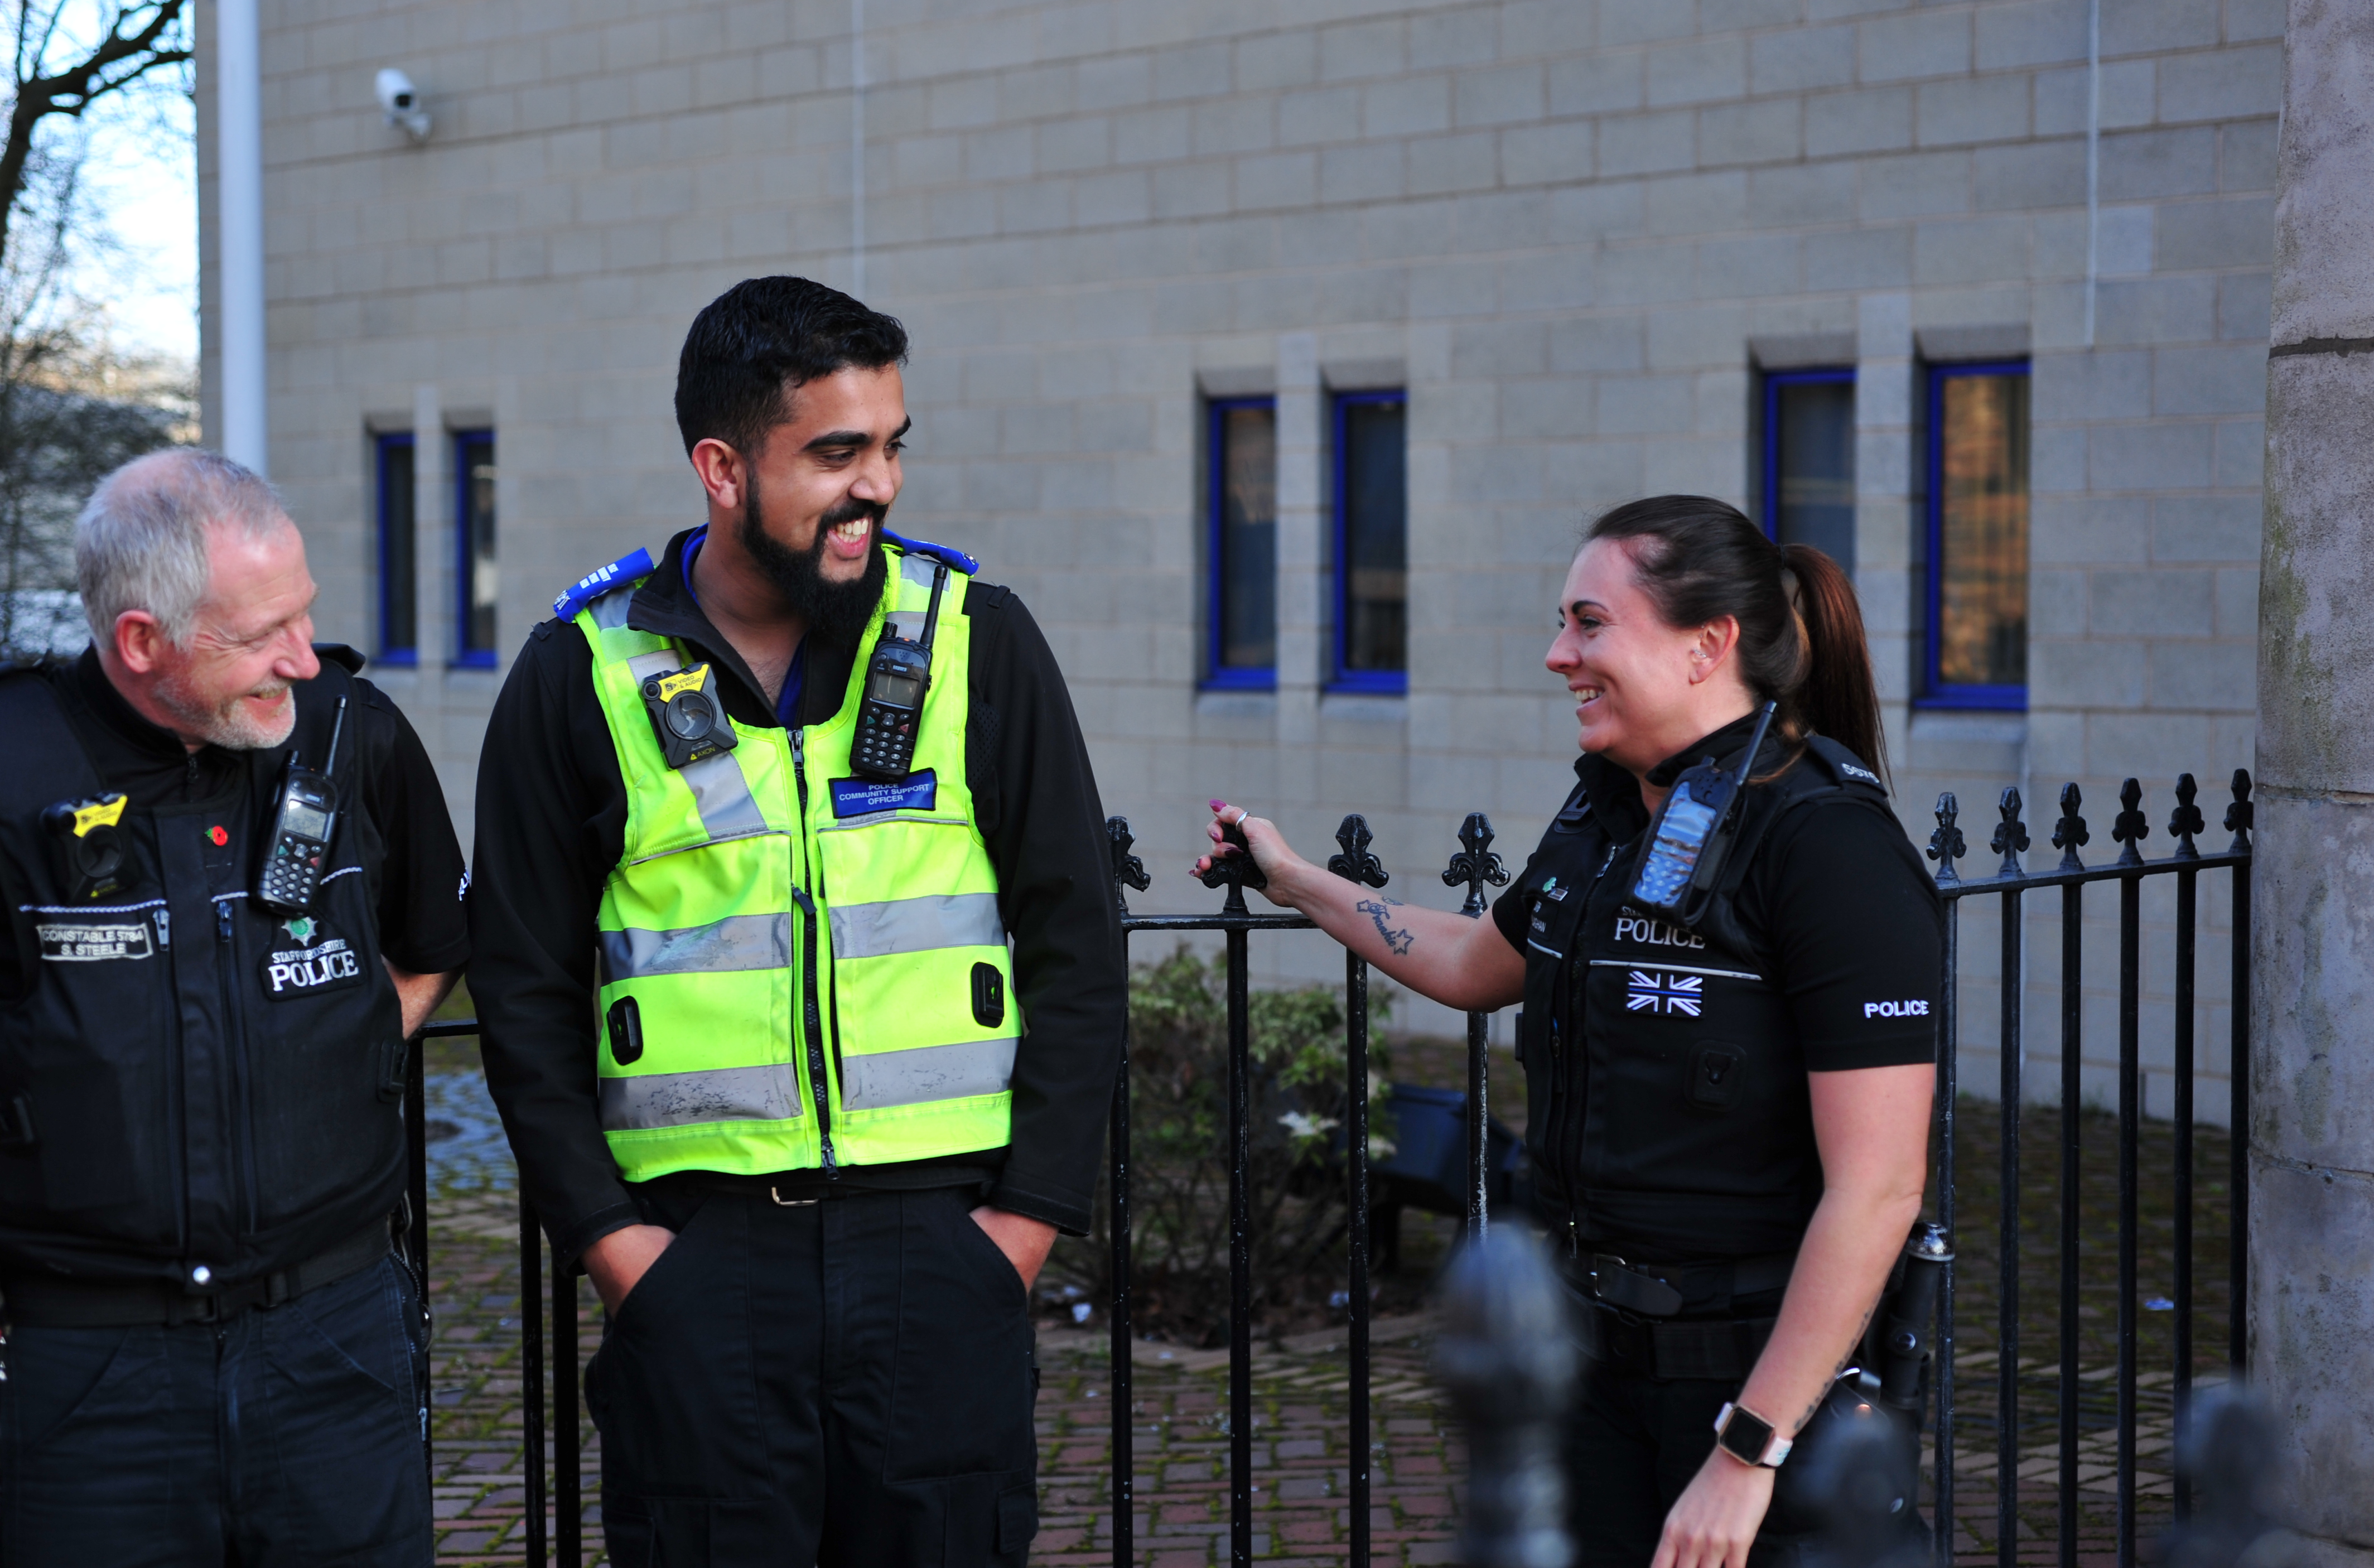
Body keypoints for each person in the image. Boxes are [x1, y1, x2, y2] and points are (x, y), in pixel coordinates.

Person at [470, 276, 1126, 1567]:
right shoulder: (581, 674)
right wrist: (619, 1252)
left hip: (941, 1257)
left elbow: (1075, 947)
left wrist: (1020, 1232)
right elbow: (522, 988)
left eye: (889, 447)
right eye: (835, 453)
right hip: (702, 1270)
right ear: (722, 468)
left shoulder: (974, 641)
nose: (875, 485)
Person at [1196, 496, 1940, 1568]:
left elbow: (1877, 1189)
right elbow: (1468, 964)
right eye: (1563, 623)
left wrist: (1747, 1450)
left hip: (1754, 1387)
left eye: (1590, 623)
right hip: (1589, 1368)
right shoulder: (1605, 815)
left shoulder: (1828, 844)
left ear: (1707, 647)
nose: (1558, 655)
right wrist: (1297, 880)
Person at [0, 448, 468, 1564]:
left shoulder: (352, 734)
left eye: (302, 618)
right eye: (260, 637)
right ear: (141, 644)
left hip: (335, 1346)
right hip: (86, 1373)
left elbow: (427, 948)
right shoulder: (16, 771)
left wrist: (330, 1063)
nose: (300, 660)